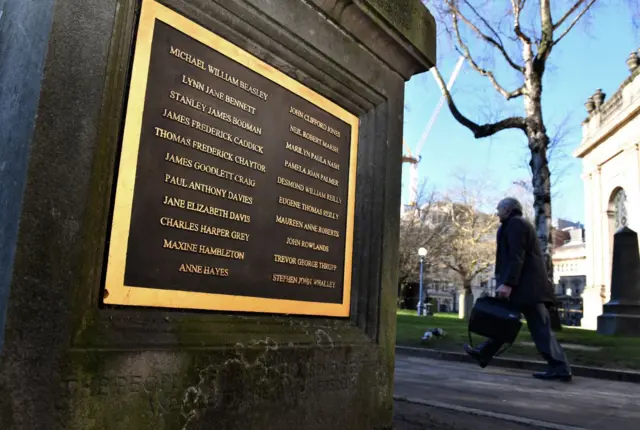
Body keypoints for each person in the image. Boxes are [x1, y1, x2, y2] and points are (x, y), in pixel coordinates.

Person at [464, 197, 572, 382]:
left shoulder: (515, 224)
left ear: (508, 209)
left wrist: (508, 283)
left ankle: (560, 367)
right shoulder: (514, 224)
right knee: (504, 322)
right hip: (525, 288)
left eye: (499, 208)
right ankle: (483, 352)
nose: (497, 212)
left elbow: (516, 256)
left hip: (526, 289)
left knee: (539, 328)